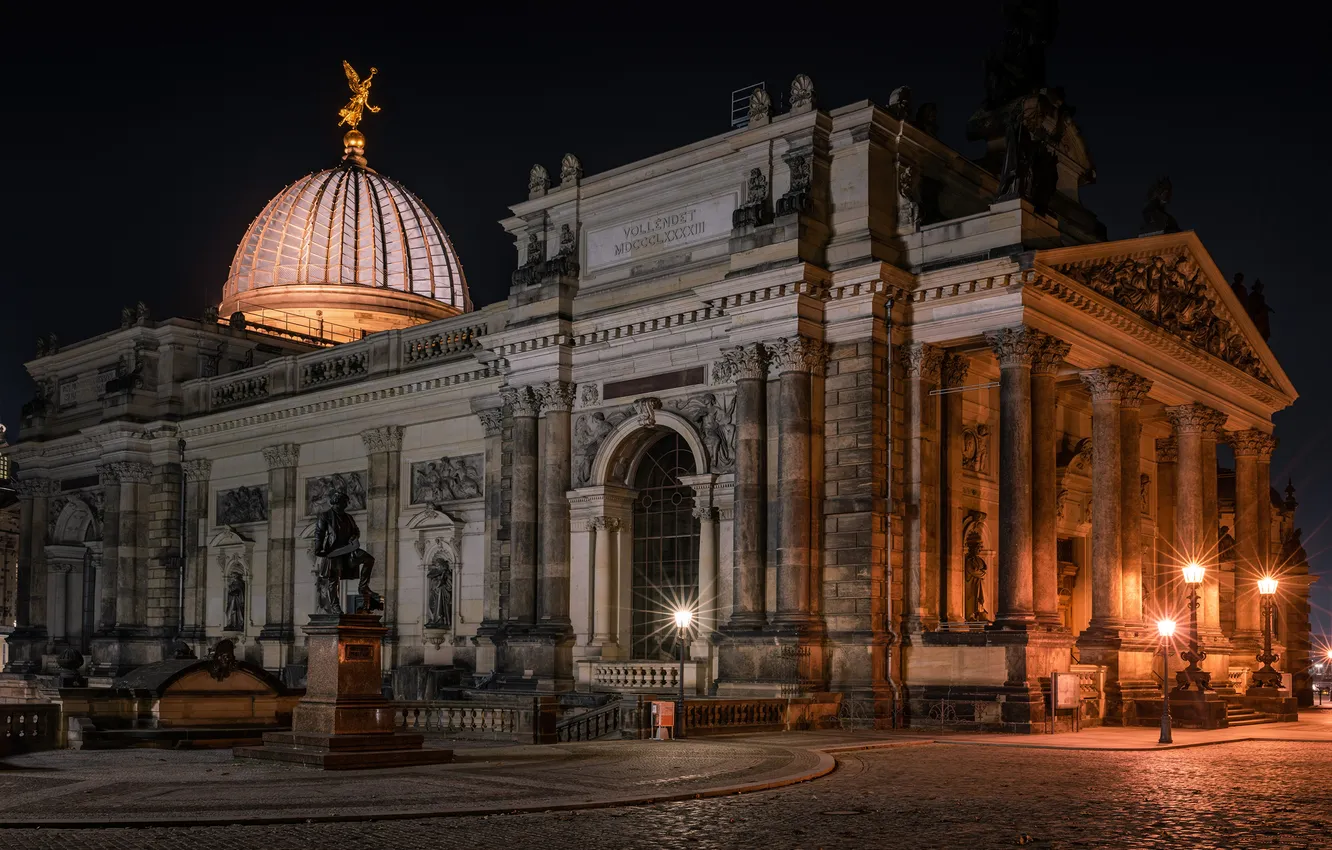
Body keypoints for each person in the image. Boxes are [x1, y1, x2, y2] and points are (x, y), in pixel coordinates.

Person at [313, 489, 383, 614]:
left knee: (369, 559)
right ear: (336, 503)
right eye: (344, 503)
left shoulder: (348, 517)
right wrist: (318, 548)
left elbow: (356, 530)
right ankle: (335, 606)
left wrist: (354, 537)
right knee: (333, 580)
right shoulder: (325, 516)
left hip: (349, 550)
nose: (346, 505)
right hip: (333, 550)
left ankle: (363, 587)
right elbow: (319, 533)